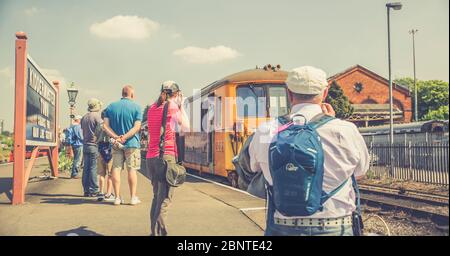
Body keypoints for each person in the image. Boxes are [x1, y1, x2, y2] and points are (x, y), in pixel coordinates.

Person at [248, 66, 369, 236]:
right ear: (325, 93)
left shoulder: (265, 131)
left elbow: (253, 168)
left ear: (289, 94)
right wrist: (332, 122)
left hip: (282, 227)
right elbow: (360, 172)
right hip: (335, 226)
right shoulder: (346, 130)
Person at [146, 81, 189, 236]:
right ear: (176, 94)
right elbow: (186, 127)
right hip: (166, 158)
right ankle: (158, 234)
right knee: (164, 199)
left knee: (156, 197)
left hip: (151, 157)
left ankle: (153, 232)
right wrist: (181, 105)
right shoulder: (172, 107)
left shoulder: (152, 108)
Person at [103, 85, 143, 206]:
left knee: (116, 168)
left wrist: (116, 137)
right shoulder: (137, 107)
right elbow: (137, 127)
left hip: (116, 144)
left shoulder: (110, 107)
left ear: (122, 94)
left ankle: (117, 198)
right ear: (132, 94)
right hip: (131, 143)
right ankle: (132, 198)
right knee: (132, 170)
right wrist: (124, 137)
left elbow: (104, 126)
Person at [80, 98, 103, 197]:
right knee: (93, 168)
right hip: (94, 145)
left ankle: (86, 190)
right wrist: (97, 139)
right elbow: (101, 130)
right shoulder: (97, 117)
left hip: (85, 145)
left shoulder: (84, 117)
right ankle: (94, 189)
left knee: (86, 168)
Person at [96, 110, 115, 202]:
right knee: (110, 173)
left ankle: (100, 193)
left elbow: (95, 136)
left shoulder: (98, 126)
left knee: (101, 173)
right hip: (109, 149)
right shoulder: (110, 126)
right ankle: (108, 193)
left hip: (100, 150)